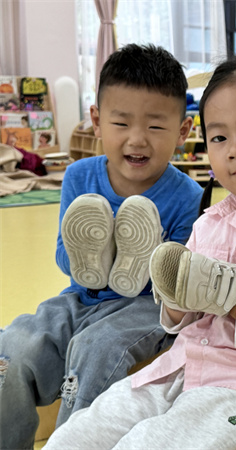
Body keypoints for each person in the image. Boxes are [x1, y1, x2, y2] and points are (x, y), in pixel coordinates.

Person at [45, 56, 236, 449]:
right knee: (78, 434)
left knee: (146, 444)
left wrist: (232, 301)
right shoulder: (211, 221)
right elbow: (178, 323)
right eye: (219, 138)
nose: (235, 150)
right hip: (181, 368)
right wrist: (176, 300)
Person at [0, 43, 203, 449]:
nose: (137, 140)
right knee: (14, 345)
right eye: (121, 123)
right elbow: (64, 254)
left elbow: (177, 283)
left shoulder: (189, 196)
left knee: (96, 348)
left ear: (183, 131)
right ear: (96, 121)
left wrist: (153, 263)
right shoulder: (79, 177)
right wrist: (88, 262)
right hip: (80, 296)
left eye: (156, 127)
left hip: (146, 307)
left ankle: (72, 443)